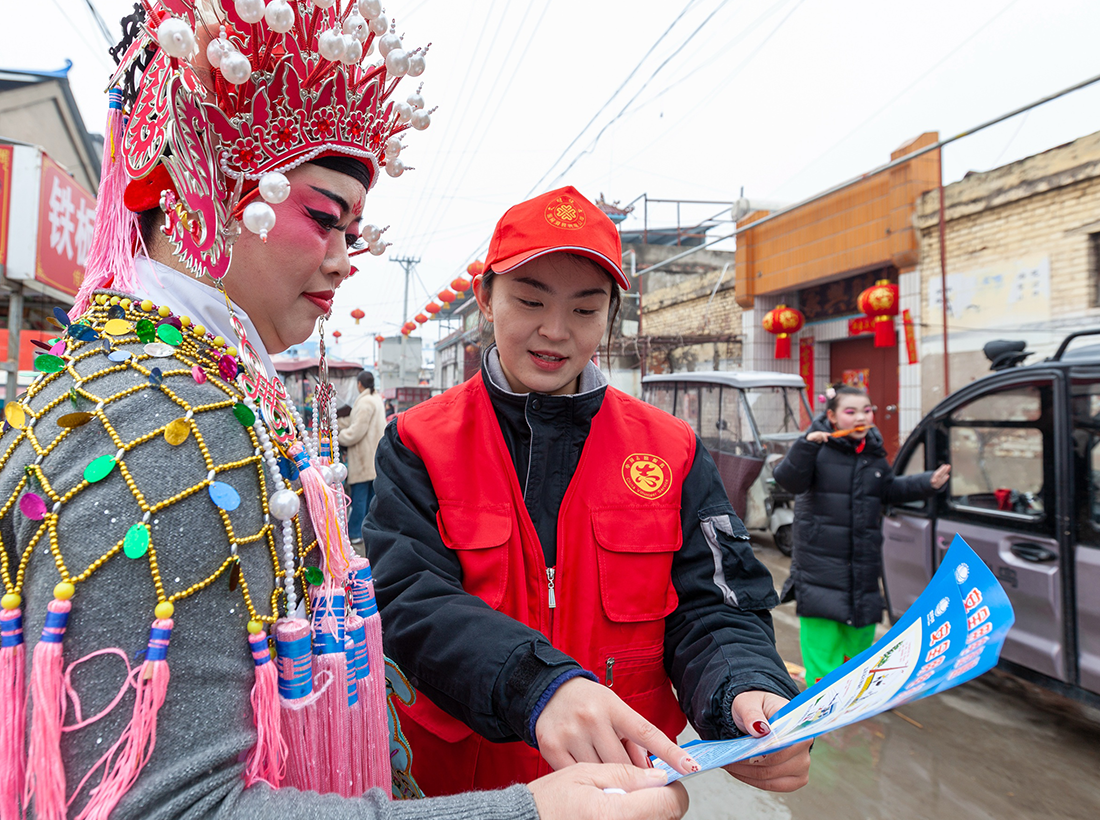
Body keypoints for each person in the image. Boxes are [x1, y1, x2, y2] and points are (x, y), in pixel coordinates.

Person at [0, 6, 686, 820]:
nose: (341, 260)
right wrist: (529, 815)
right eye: (323, 218)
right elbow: (170, 807)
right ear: (201, 184)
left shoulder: (154, 381)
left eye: (353, 233)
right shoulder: (163, 422)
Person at [366, 186, 812, 797]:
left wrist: (746, 687)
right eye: (530, 300)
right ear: (486, 299)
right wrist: (535, 685)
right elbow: (408, 599)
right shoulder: (418, 442)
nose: (555, 331)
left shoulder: (672, 449)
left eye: (584, 309)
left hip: (623, 788)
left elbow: (717, 604)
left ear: (609, 315)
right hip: (467, 793)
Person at [772, 385, 952, 685]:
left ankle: (854, 694)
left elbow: (887, 490)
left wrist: (926, 483)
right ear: (832, 417)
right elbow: (787, 480)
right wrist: (805, 445)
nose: (860, 418)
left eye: (866, 411)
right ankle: (821, 701)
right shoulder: (816, 449)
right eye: (850, 411)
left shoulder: (873, 454)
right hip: (820, 568)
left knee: (859, 642)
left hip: (862, 566)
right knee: (823, 644)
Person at [338, 370, 386, 544]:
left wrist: (339, 436)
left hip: (363, 457)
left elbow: (357, 431)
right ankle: (367, 531)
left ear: (359, 384)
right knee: (370, 499)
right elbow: (356, 422)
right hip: (373, 456)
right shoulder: (376, 399)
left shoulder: (365, 402)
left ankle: (355, 533)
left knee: (359, 498)